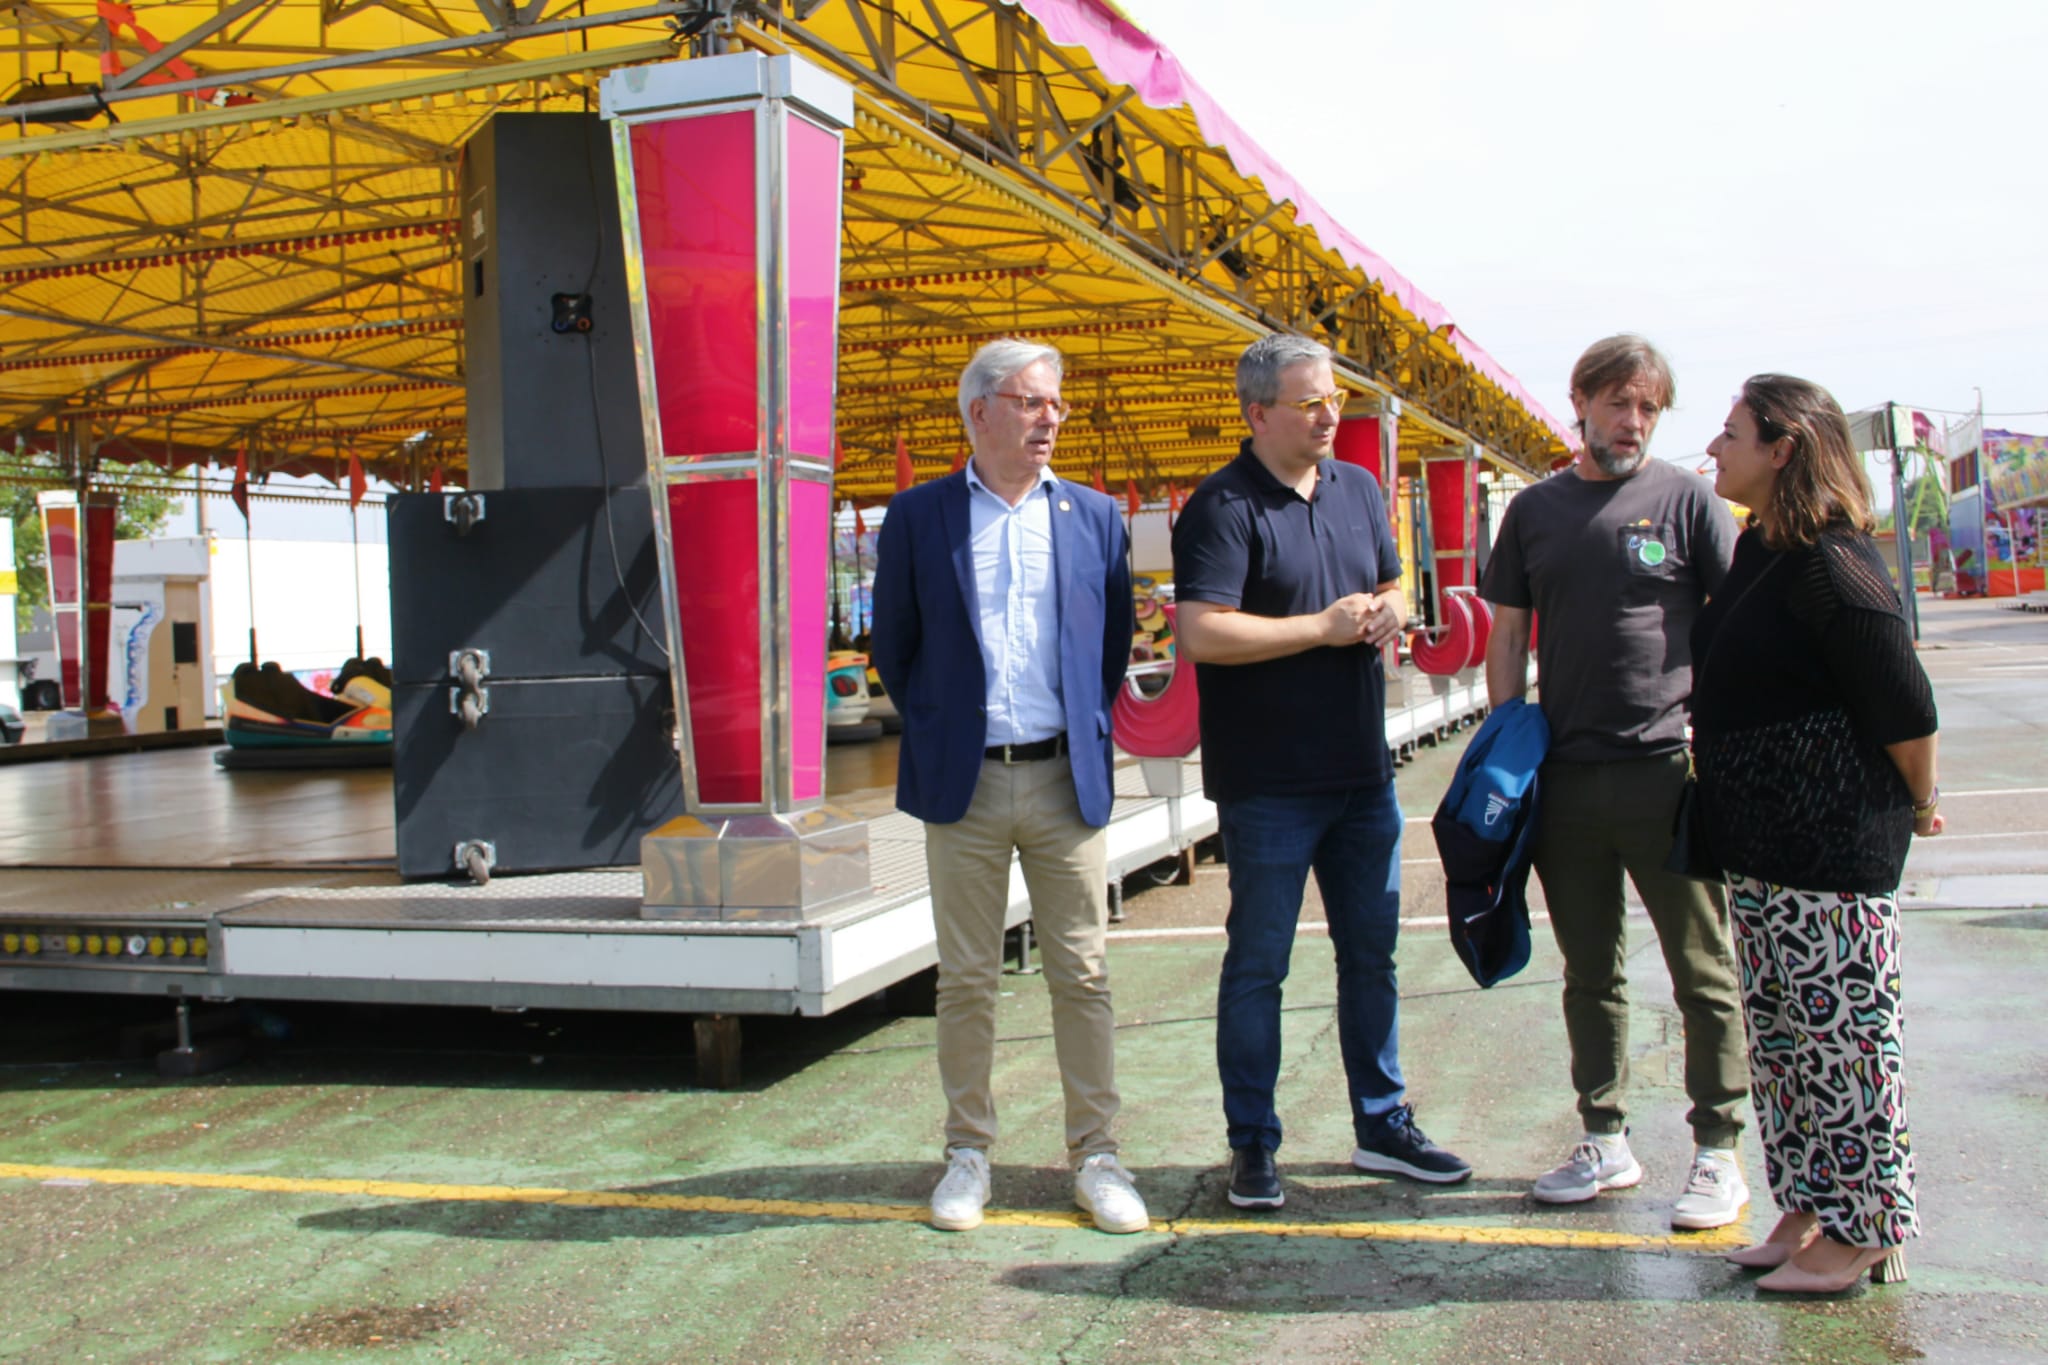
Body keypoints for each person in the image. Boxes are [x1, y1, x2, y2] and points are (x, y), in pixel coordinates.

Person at [1173, 333, 1471, 1211]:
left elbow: (1394, 587)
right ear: (1257, 413)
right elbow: (1201, 632)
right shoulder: (1222, 508)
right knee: (1259, 963)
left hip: (1361, 774)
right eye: (1310, 402)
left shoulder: (1359, 488)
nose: (1330, 414)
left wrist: (1387, 612)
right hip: (1269, 782)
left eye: (1333, 396)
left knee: (1370, 957)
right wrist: (1321, 628)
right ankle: (1253, 1142)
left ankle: (1382, 1122)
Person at [868, 338, 1144, 1235]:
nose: (1049, 418)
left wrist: (1073, 731)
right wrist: (951, 729)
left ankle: (1097, 1156)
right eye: (1030, 403)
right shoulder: (917, 519)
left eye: (1055, 404)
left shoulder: (1096, 519)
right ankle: (968, 1154)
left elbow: (1108, 651)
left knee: (1084, 972)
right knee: (968, 979)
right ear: (978, 411)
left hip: (1066, 780)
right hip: (968, 783)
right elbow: (896, 652)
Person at [1478, 334, 1751, 1229]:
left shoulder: (1686, 499)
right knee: (1589, 970)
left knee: (1701, 970)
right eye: (1619, 403)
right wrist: (1505, 752)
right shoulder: (1535, 513)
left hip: (1667, 773)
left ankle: (1718, 1150)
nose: (1633, 422)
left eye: (1648, 408)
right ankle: (1606, 1135)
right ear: (1583, 402)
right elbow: (1510, 637)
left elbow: (1735, 621)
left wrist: (1724, 739)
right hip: (1564, 775)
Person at [1693, 374, 1939, 1293]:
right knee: (1788, 1040)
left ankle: (1866, 1220)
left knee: (1847, 1041)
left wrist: (1919, 803)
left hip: (1831, 851)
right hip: (1762, 852)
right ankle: (1806, 1200)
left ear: (1783, 449)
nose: (1714, 449)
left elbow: (1908, 713)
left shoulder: (1837, 564)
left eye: (1731, 433)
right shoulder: (1763, 547)